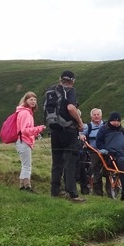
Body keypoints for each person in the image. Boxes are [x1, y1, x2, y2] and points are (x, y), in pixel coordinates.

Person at [48, 70, 86, 203]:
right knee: (70, 163)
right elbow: (70, 108)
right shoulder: (70, 91)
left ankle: (55, 191)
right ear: (72, 80)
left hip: (54, 130)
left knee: (57, 161)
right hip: (69, 130)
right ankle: (73, 194)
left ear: (60, 79)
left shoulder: (52, 91)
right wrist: (80, 123)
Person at [95, 111, 124, 198]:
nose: (116, 123)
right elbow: (99, 142)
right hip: (113, 154)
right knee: (122, 162)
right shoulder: (103, 129)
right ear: (110, 121)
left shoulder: (121, 129)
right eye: (114, 121)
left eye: (118, 121)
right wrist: (104, 150)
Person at [14, 92, 46, 193]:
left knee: (24, 165)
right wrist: (39, 129)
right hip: (24, 141)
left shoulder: (22, 112)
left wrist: (35, 132)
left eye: (34, 100)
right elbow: (25, 130)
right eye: (31, 99)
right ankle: (27, 186)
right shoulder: (26, 113)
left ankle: (22, 186)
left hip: (21, 140)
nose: (33, 102)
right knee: (27, 165)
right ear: (26, 100)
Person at [81, 108, 105, 195]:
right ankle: (98, 192)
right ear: (91, 117)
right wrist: (82, 136)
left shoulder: (105, 125)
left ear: (101, 116)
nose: (96, 116)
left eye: (98, 114)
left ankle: (111, 191)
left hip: (106, 150)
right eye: (94, 115)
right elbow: (81, 133)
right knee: (96, 169)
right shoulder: (88, 126)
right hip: (93, 151)